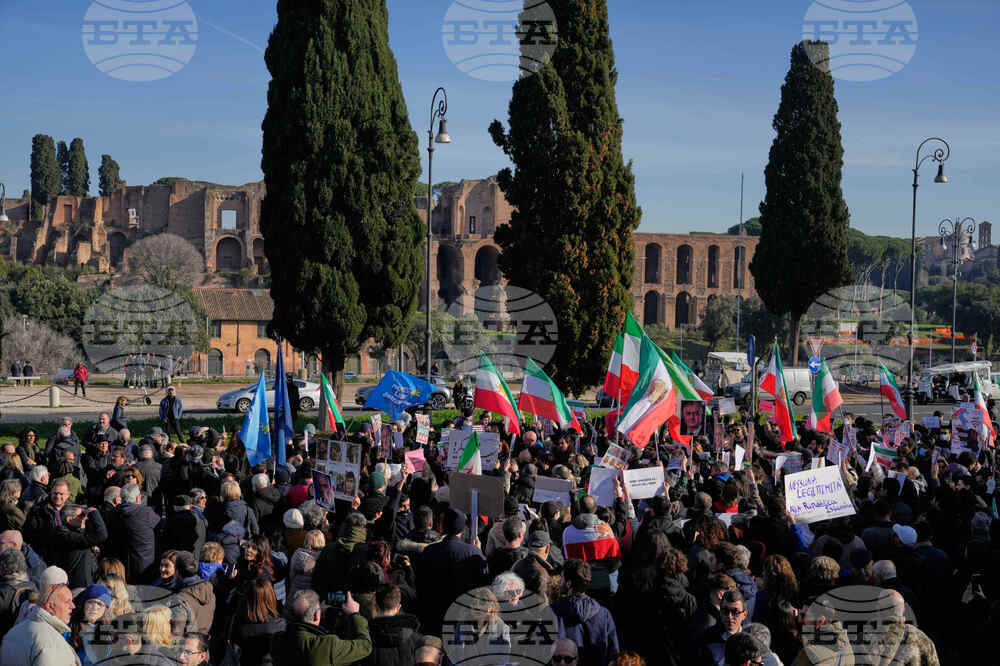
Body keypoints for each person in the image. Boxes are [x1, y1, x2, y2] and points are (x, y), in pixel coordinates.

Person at [416, 507, 489, 636]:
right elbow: (483, 582)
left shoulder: (429, 551)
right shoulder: (472, 552)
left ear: (441, 527)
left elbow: (420, 581)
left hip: (433, 614)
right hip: (460, 616)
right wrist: (479, 553)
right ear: (462, 529)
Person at [272, 589, 372, 665]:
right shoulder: (325, 646)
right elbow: (365, 646)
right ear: (316, 615)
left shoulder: (278, 639)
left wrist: (318, 611)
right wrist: (354, 614)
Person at [0, 582, 78, 665]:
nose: (73, 606)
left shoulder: (13, 631)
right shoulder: (51, 642)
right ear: (50, 606)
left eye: (72, 601)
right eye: (67, 602)